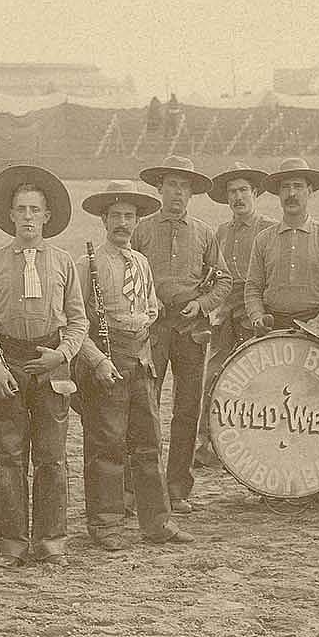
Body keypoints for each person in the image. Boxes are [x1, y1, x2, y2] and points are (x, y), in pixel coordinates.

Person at [0, 165, 90, 567]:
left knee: (52, 458)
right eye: (20, 210)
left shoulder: (62, 262)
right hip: (8, 362)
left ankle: (51, 541)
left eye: (35, 210)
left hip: (51, 363)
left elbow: (78, 320)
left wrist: (63, 354)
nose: (27, 217)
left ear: (47, 215)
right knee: (9, 456)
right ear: (11, 216)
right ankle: (12, 543)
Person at [74, 180, 195, 550]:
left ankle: (157, 522)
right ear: (103, 221)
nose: (122, 223)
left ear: (137, 221)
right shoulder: (88, 264)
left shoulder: (141, 262)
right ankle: (106, 524)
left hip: (141, 361)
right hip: (106, 364)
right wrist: (97, 361)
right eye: (115, 216)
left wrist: (142, 330)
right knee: (107, 444)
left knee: (148, 444)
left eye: (128, 216)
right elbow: (75, 321)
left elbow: (153, 308)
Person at [245, 156, 319, 503]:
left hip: (317, 328)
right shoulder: (263, 240)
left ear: (310, 192)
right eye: (285, 187)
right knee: (275, 408)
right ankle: (273, 483)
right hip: (274, 329)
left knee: (317, 408)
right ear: (277, 194)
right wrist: (258, 316)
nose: (291, 193)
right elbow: (252, 286)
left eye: (298, 187)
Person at [131, 155, 231, 513]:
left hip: (191, 328)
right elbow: (126, 273)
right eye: (172, 184)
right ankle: (142, 486)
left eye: (184, 186)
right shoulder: (140, 229)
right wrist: (143, 306)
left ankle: (177, 488)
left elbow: (223, 279)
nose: (177, 192)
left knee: (187, 409)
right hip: (152, 327)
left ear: (192, 193)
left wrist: (202, 306)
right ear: (159, 188)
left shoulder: (205, 232)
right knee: (145, 406)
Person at [194, 164, 276, 469]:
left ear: (255, 193)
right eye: (232, 192)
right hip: (225, 313)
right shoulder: (221, 232)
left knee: (259, 383)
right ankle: (208, 444)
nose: (237, 197)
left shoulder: (270, 228)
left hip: (257, 313)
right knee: (214, 376)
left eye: (243, 190)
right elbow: (212, 273)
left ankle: (258, 446)